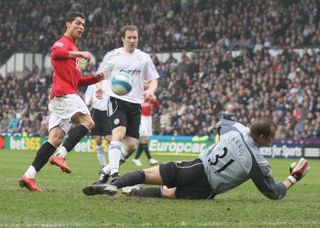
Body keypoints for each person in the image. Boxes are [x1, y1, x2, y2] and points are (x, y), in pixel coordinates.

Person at [83, 117, 310, 200]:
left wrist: (218, 138)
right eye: (271, 137)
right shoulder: (258, 163)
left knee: (148, 174)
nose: (274, 139)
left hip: (196, 166)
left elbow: (222, 122)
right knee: (166, 193)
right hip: (205, 189)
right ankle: (133, 192)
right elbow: (274, 193)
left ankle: (115, 185)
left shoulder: (235, 128)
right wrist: (293, 177)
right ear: (261, 136)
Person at [19, 12, 105, 192]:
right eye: (78, 23)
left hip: (64, 96)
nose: (81, 27)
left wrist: (96, 78)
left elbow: (77, 81)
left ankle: (29, 176)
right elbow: (55, 52)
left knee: (55, 139)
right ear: (68, 24)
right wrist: (79, 53)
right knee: (88, 122)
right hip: (63, 95)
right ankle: (61, 156)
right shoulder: (63, 44)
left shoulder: (73, 52)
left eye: (83, 24)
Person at [92, 25, 159, 184]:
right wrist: (100, 88)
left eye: (134, 37)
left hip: (135, 104)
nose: (132, 40)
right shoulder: (113, 55)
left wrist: (150, 91)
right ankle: (115, 173)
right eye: (129, 37)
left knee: (131, 145)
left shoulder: (143, 58)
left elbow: (154, 80)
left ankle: (106, 170)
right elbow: (100, 76)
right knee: (119, 134)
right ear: (123, 38)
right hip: (116, 100)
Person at [84, 80, 111, 170]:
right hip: (95, 112)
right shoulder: (92, 85)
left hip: (107, 112)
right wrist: (90, 100)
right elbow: (87, 99)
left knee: (109, 138)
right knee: (98, 139)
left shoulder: (109, 82)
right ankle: (103, 165)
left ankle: (113, 163)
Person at [132, 94, 159, 166]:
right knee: (144, 138)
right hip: (142, 118)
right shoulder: (139, 93)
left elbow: (157, 107)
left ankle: (136, 158)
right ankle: (150, 159)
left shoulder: (150, 94)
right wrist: (145, 97)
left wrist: (154, 100)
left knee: (145, 140)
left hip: (148, 118)